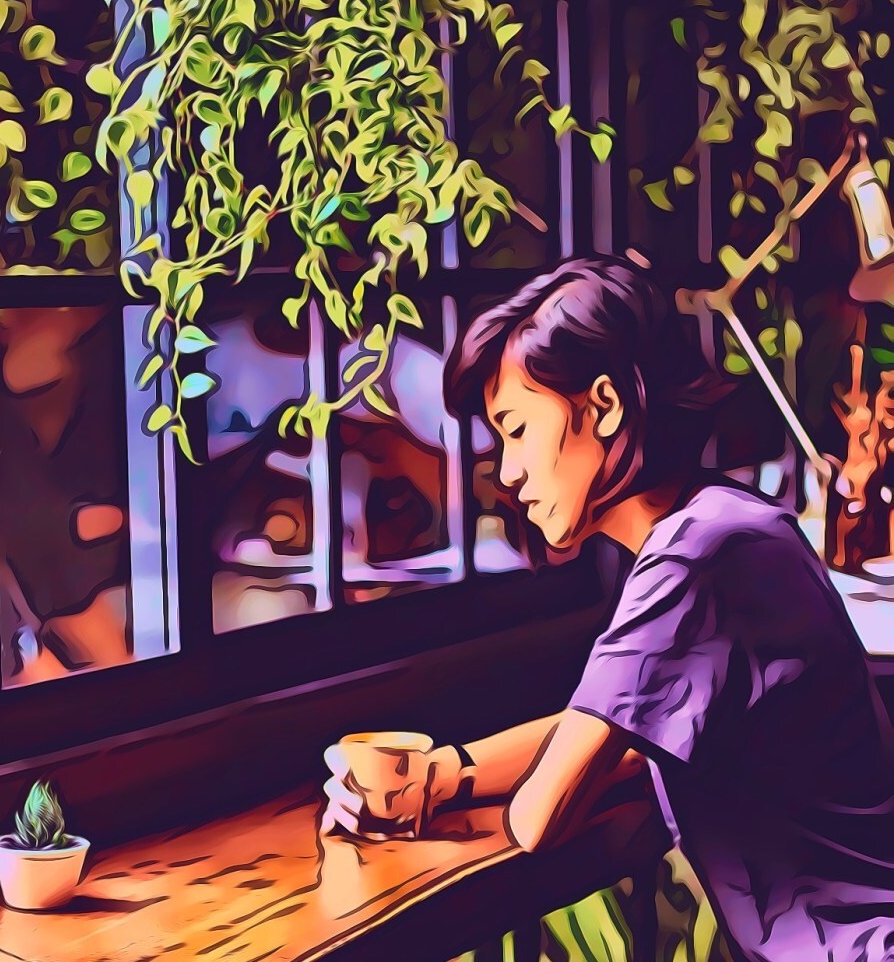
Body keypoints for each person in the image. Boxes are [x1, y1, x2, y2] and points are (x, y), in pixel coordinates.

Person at [321, 256, 894, 962]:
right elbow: (618, 725)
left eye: (517, 428)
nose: (507, 471)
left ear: (603, 406)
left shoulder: (693, 559)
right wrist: (437, 777)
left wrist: (424, 789)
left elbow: (540, 818)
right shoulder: (734, 522)